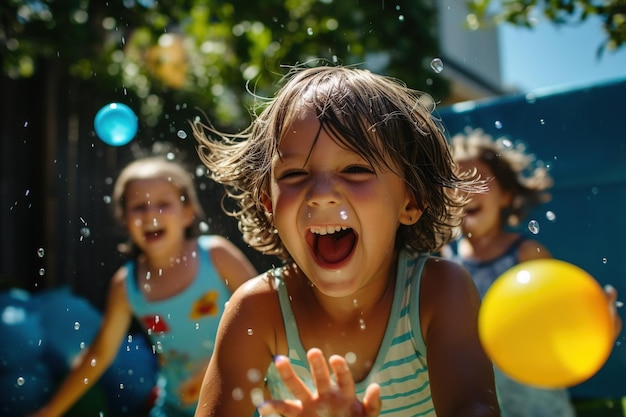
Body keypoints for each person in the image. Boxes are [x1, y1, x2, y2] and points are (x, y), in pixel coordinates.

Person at [191, 65, 501, 417]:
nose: (321, 195)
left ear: (410, 200)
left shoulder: (437, 293)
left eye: (356, 169)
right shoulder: (258, 313)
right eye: (294, 174)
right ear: (269, 204)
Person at [29, 156, 257, 417]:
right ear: (124, 219)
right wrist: (49, 412)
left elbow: (266, 312)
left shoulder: (216, 257)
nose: (150, 214)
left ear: (187, 212)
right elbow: (100, 354)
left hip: (243, 405)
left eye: (163, 204)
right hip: (175, 409)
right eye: (138, 206)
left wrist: (221, 362)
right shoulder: (127, 285)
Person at [444, 128, 616, 417]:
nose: (466, 190)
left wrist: (595, 326)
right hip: (481, 403)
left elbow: (559, 316)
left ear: (506, 195)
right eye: (456, 183)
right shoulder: (446, 260)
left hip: (537, 402)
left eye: (478, 180)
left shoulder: (525, 253)